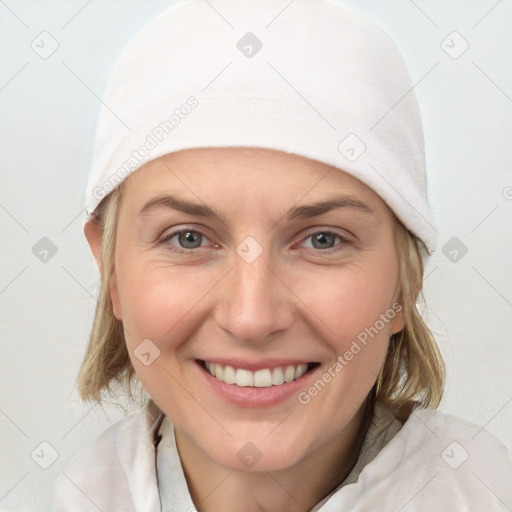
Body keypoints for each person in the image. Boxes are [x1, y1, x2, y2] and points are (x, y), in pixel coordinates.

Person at [50, 1, 512, 510]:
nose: (251, 318)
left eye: (323, 240)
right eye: (188, 238)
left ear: (407, 280)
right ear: (110, 270)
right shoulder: (84, 494)